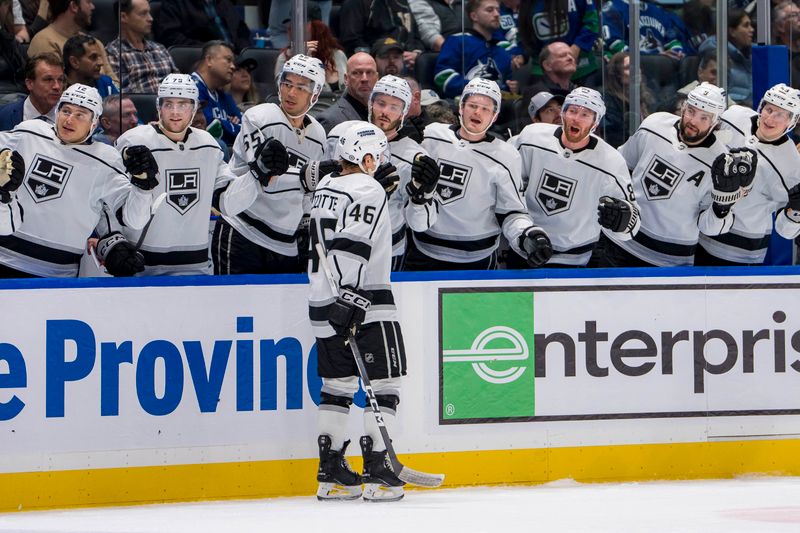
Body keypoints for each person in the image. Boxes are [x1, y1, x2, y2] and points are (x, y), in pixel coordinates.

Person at [308, 121, 407, 502]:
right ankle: (379, 470)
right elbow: (353, 244)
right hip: (363, 302)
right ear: (365, 156)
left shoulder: (324, 187)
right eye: (377, 156)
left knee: (337, 387)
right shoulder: (367, 187)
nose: (380, 163)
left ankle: (330, 472)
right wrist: (350, 298)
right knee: (385, 385)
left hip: (321, 301)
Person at [108, 74, 266, 276]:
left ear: (194, 108)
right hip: (143, 266)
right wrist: (111, 242)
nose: (175, 112)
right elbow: (109, 200)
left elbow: (228, 203)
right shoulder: (133, 142)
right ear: (158, 106)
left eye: (183, 104)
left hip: (196, 266)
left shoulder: (208, 144)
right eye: (168, 104)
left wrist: (257, 175)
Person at [0, 83, 158, 277]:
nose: (69, 119)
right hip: (4, 258)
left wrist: (143, 186)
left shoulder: (106, 160)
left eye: (80, 114)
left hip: (58, 274)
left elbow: (135, 219)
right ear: (57, 112)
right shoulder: (30, 132)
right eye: (66, 110)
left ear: (94, 123)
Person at [596, 82, 756, 267]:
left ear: (715, 122)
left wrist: (722, 205)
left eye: (704, 117)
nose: (693, 121)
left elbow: (709, 228)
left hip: (670, 261)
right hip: (618, 243)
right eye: (691, 111)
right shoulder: (654, 124)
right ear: (683, 107)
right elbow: (622, 168)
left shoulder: (721, 163)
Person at [406, 78, 552, 270]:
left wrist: (526, 234)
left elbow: (512, 212)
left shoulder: (506, 155)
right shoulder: (431, 136)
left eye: (486, 109)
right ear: (461, 107)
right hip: (423, 251)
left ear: (495, 115)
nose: (477, 112)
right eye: (472, 105)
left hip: (478, 260)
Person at [213, 54, 326, 275]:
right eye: (287, 83)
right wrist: (307, 176)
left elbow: (307, 194)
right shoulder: (259, 118)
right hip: (243, 232)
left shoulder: (318, 136)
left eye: (301, 87)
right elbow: (268, 180)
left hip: (285, 243)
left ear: (315, 94)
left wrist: (305, 225)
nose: (291, 93)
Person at [323, 75, 441, 270]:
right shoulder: (340, 135)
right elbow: (320, 193)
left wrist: (423, 195)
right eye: (381, 103)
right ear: (371, 103)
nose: (385, 112)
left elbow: (419, 225)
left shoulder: (415, 156)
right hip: (339, 242)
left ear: (403, 113)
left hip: (387, 251)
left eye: (394, 107)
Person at [513, 87, 639, 267]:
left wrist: (622, 220)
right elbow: (509, 189)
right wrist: (521, 232)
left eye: (586, 114)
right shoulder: (531, 138)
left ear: (595, 123)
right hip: (525, 248)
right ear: (563, 114)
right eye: (572, 111)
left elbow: (632, 225)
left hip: (575, 261)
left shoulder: (611, 162)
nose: (576, 118)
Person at [696, 84, 800, 265]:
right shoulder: (734, 116)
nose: (770, 118)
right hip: (699, 231)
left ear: (791, 122)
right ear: (761, 106)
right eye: (768, 109)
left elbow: (786, 231)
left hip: (740, 253)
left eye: (780, 115)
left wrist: (795, 213)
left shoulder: (791, 166)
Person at [434, 0, 518, 99]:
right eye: (490, 10)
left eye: (498, 10)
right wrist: (480, 88)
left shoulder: (502, 51)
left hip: (497, 108)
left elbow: (505, 87)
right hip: (464, 105)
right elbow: (442, 77)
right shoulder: (458, 41)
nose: (496, 14)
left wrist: (512, 88)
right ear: (474, 16)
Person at [27, 0, 118, 84]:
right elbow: (54, 87)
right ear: (74, 6)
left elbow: (114, 83)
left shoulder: (94, 43)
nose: (93, 7)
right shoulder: (44, 41)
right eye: (88, 2)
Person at [517, 0, 600, 82]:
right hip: (542, 71)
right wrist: (521, 54)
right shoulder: (527, 4)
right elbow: (523, 33)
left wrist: (577, 47)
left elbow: (592, 23)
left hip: (581, 68)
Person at [106, 0, 178, 94]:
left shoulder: (160, 48)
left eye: (149, 13)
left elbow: (178, 81)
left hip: (172, 104)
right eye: (143, 14)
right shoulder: (113, 53)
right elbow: (123, 95)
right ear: (123, 17)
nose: (150, 18)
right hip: (141, 106)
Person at [274, 12, 349, 95]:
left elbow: (347, 89)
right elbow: (282, 90)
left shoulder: (337, 55)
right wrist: (304, 60)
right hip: (311, 107)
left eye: (301, 25)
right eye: (292, 25)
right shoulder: (285, 57)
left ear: (318, 28)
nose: (294, 29)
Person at [698, 9, 754, 106]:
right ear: (732, 31)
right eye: (746, 25)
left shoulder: (750, 54)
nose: (751, 29)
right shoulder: (715, 52)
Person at [191, 41, 242, 145]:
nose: (233, 66)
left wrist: (222, 124)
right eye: (228, 60)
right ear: (209, 60)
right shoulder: (191, 88)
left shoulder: (224, 95)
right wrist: (230, 124)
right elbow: (207, 129)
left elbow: (244, 129)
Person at [153, 0, 251, 53]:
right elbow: (171, 38)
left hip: (235, 57)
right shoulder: (174, 3)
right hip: (205, 58)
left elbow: (241, 30)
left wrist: (244, 53)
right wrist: (211, 49)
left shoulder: (224, 2)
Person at [602, 0, 688, 60]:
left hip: (662, 71)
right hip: (632, 74)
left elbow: (673, 41)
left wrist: (677, 53)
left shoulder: (658, 11)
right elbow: (617, 48)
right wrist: (654, 57)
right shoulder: (612, 9)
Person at [316, 52, 379, 133]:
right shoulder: (329, 120)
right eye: (357, 73)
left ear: (377, 78)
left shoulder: (381, 115)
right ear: (346, 79)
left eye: (369, 72)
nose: (364, 79)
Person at [601, 51, 653, 148]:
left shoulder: (646, 96)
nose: (636, 71)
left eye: (637, 66)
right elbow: (615, 137)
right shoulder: (609, 101)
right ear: (617, 75)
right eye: (628, 68)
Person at [0, 53, 63, 130]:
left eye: (60, 80)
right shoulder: (3, 116)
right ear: (30, 84)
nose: (57, 86)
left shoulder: (72, 120)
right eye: (48, 80)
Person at [62, 33, 117, 98]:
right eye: (93, 57)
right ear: (74, 62)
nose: (101, 63)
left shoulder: (106, 83)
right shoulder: (57, 88)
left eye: (100, 57)